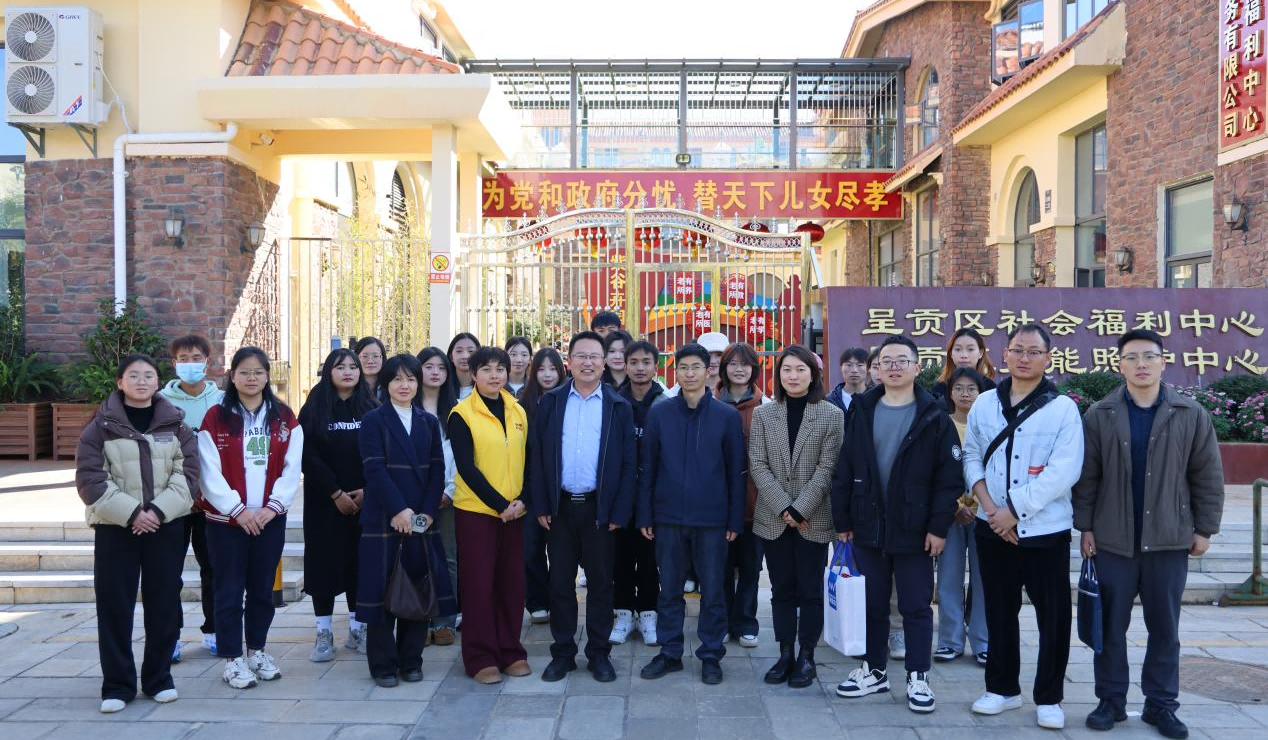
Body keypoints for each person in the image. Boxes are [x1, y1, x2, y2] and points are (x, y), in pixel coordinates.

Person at [1074, 329, 1225, 739]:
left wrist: (1205, 528)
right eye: (1132, 357)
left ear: (1163, 362)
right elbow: (1087, 477)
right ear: (1119, 365)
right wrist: (1085, 526)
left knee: (1165, 629)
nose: (1141, 364)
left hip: (1169, 539)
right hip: (1112, 541)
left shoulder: (1190, 413)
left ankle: (1161, 705)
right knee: (1110, 627)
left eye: (1149, 356)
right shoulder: (1101, 414)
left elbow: (1207, 475)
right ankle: (1111, 701)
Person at [831, 335, 962, 714]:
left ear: (917, 368)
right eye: (886, 360)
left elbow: (949, 480)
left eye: (901, 360)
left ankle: (918, 676)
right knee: (872, 604)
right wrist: (843, 519)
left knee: (915, 606)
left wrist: (938, 528)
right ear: (877, 369)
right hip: (867, 524)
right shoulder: (862, 409)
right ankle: (874, 670)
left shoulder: (934, 416)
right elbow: (845, 468)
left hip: (915, 529)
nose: (893, 367)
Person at [962, 323, 1084, 730]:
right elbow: (972, 456)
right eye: (1017, 350)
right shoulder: (984, 403)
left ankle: (1049, 697)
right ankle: (1002, 689)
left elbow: (1064, 470)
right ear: (1005, 354)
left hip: (1045, 530)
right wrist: (990, 507)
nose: (1024, 358)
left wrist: (1014, 510)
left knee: (1053, 616)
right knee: (999, 610)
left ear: (1048, 358)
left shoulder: (1062, 408)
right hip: (991, 526)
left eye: (1034, 351)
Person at [78, 354, 198, 713]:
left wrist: (156, 512)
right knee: (114, 606)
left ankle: (159, 678)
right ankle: (117, 685)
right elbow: (90, 479)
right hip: (116, 528)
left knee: (164, 603)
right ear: (120, 382)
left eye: (148, 375)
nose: (141, 381)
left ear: (158, 382)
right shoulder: (99, 427)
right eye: (133, 375)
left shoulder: (176, 425)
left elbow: (190, 476)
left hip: (165, 526)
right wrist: (132, 513)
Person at [636, 343, 746, 686]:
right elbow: (648, 467)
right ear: (675, 372)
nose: (690, 373)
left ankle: (711, 654)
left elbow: (736, 472)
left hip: (712, 520)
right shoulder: (660, 414)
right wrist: (645, 515)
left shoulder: (726, 416)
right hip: (668, 517)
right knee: (669, 589)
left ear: (708, 370)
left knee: (713, 591)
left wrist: (734, 519)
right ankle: (670, 652)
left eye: (696, 366)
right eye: (683, 367)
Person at [531, 331, 637, 683]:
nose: (588, 363)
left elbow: (628, 464)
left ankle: (598, 653)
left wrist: (619, 511)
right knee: (560, 583)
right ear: (570, 361)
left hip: (599, 510)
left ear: (604, 362)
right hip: (560, 508)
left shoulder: (619, 406)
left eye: (594, 356)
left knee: (602, 584)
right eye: (581, 356)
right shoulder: (551, 403)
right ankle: (563, 653)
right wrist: (541, 504)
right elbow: (537, 457)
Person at [198, 347, 303, 690]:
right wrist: (237, 510)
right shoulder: (216, 417)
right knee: (228, 591)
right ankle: (232, 659)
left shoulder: (284, 417)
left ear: (267, 376)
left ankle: (257, 650)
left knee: (261, 590)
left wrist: (271, 508)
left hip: (269, 520)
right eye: (244, 372)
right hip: (226, 523)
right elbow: (208, 471)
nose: (252, 378)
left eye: (258, 372)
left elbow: (292, 468)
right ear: (232, 376)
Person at [356, 354, 456, 687]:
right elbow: (374, 469)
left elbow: (438, 469)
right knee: (382, 592)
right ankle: (383, 665)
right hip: (384, 519)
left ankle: (411, 660)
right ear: (386, 383)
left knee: (418, 588)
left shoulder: (428, 422)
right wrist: (399, 510)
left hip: (422, 521)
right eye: (397, 379)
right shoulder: (374, 420)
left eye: (410, 379)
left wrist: (426, 513)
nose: (404, 385)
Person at [750, 345, 843, 688]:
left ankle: (807, 655)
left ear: (813, 374)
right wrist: (783, 507)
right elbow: (757, 464)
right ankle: (785, 652)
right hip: (773, 518)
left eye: (800, 369)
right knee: (781, 589)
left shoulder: (831, 415)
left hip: (813, 518)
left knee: (810, 589)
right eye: (786, 369)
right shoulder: (764, 414)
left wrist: (800, 508)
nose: (793, 376)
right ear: (778, 375)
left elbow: (828, 467)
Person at [448, 346, 532, 683]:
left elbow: (529, 458)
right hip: (477, 512)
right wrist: (500, 505)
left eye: (500, 368)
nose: (494, 375)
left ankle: (510, 650)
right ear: (473, 374)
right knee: (479, 586)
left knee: (512, 585)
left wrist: (523, 500)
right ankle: (480, 656)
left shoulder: (517, 410)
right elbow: (467, 468)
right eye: (486, 369)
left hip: (515, 512)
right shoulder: (461, 414)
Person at [298, 348, 378, 662]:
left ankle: (358, 629)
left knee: (360, 565)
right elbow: (307, 455)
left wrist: (367, 491)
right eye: (340, 366)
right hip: (324, 503)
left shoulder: (372, 408)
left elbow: (382, 454)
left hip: (364, 502)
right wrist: (335, 492)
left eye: (353, 367)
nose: (348, 372)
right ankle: (324, 632)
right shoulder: (314, 408)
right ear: (329, 372)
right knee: (323, 567)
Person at [159, 334, 224, 661]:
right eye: (183, 359)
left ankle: (214, 631)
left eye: (196, 358)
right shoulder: (160, 402)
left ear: (207, 362)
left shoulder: (223, 401)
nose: (190, 364)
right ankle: (170, 637)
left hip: (212, 501)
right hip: (173, 501)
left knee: (214, 568)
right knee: (168, 571)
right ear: (174, 364)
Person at [612, 340, 666, 647]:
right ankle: (622, 613)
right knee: (620, 558)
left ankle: (648, 614)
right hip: (621, 495)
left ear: (656, 367)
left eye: (646, 362)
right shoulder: (614, 402)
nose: (640, 368)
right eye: (634, 362)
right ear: (625, 365)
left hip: (654, 495)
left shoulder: (666, 402)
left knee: (648, 559)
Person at [934, 367, 990, 666]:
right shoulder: (940, 424)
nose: (965, 394)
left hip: (986, 514)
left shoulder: (991, 425)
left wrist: (982, 505)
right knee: (948, 578)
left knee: (985, 580)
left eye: (972, 389)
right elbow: (934, 471)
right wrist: (955, 506)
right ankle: (950, 641)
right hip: (950, 514)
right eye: (959, 388)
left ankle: (983, 641)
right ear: (950, 393)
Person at [715, 341, 767, 649]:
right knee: (719, 567)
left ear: (754, 369)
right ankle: (721, 621)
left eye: (745, 364)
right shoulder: (710, 403)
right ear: (724, 368)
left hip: (755, 502)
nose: (738, 369)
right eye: (732, 363)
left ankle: (746, 622)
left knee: (750, 567)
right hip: (718, 503)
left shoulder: (766, 406)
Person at [519, 347, 567, 624]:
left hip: (559, 488)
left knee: (560, 551)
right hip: (527, 487)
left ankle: (558, 600)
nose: (547, 375)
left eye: (552, 369)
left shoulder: (569, 400)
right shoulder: (521, 404)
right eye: (541, 369)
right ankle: (537, 600)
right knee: (531, 548)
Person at [416, 347, 460, 646]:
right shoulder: (406, 406)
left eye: (441, 367)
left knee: (447, 558)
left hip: (446, 499)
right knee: (415, 557)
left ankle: (445, 620)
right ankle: (417, 619)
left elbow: (463, 456)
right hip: (413, 500)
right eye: (428, 366)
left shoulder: (456, 411)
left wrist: (449, 491)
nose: (435, 372)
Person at [931, 329, 998, 411]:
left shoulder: (991, 390)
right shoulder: (940, 390)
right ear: (951, 353)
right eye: (958, 349)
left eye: (970, 349)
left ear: (981, 353)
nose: (964, 355)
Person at [826, 347, 869, 414]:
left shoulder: (876, 397)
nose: (854, 370)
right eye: (849, 365)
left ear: (868, 368)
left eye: (860, 365)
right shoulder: (829, 400)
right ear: (841, 368)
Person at [447, 333, 481, 399]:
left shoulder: (486, 388)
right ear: (451, 357)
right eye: (459, 351)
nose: (465, 356)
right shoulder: (443, 388)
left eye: (471, 351)